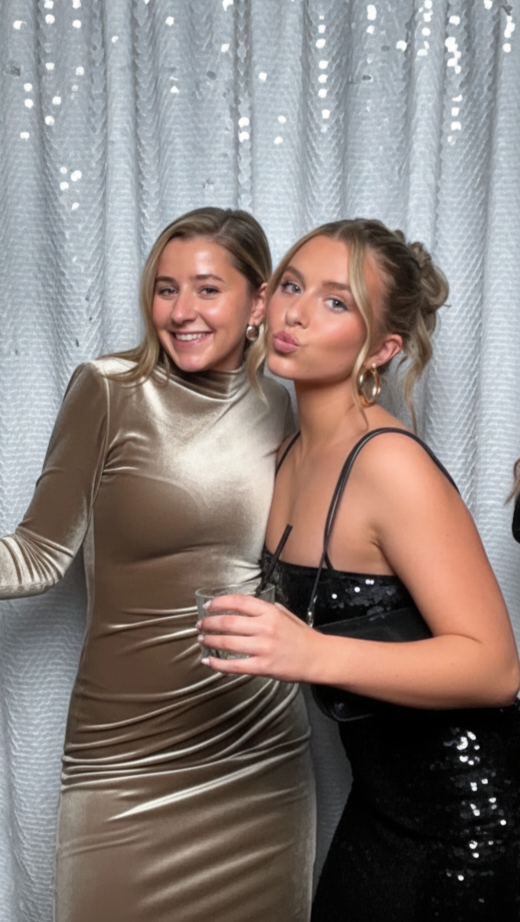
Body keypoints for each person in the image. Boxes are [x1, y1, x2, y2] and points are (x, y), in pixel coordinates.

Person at [0, 208, 314, 922]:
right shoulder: (109, 389)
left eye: (207, 290)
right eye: (165, 288)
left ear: (260, 300)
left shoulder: (285, 406)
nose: (181, 312)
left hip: (254, 755)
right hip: (124, 756)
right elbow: (34, 555)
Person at [198, 218, 520, 921]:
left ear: (382, 348)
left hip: (470, 818)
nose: (297, 312)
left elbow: (496, 669)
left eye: (337, 301)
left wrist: (312, 652)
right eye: (291, 285)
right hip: (378, 809)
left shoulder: (390, 465)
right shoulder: (284, 460)